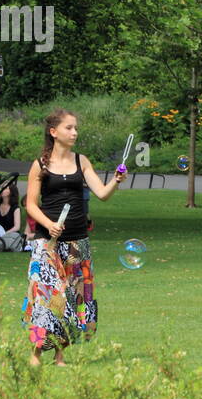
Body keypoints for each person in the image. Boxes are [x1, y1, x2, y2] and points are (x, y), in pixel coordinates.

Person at [22, 108, 126, 366]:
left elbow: (102, 193)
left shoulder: (82, 161)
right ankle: (35, 352)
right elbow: (31, 204)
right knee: (45, 297)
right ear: (53, 132)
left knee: (73, 298)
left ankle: (60, 355)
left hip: (78, 241)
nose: (75, 132)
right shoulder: (40, 164)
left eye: (76, 128)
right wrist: (48, 224)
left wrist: (116, 180)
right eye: (69, 128)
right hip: (48, 242)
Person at [0, 183, 27, 251]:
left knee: (3, 242)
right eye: (1, 187)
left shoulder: (15, 208)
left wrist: (4, 234)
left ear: (11, 192)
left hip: (10, 235)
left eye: (5, 188)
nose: (1, 189)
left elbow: (17, 227)